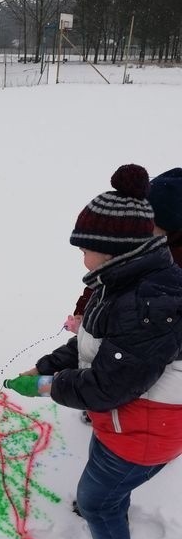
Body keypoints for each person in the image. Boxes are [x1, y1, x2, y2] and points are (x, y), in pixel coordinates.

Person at [3, 164, 182, 539]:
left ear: (114, 250)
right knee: (104, 474)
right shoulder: (123, 282)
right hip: (127, 423)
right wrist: (49, 363)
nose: (82, 258)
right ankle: (106, 494)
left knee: (98, 499)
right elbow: (96, 343)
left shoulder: (145, 303)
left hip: (146, 431)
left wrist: (48, 384)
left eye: (86, 249)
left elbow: (106, 386)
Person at [66, 166, 182, 425]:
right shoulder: (132, 250)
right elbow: (106, 279)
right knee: (108, 360)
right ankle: (96, 405)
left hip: (159, 345)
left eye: (151, 227)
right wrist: (85, 309)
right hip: (126, 326)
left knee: (131, 379)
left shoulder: (167, 265)